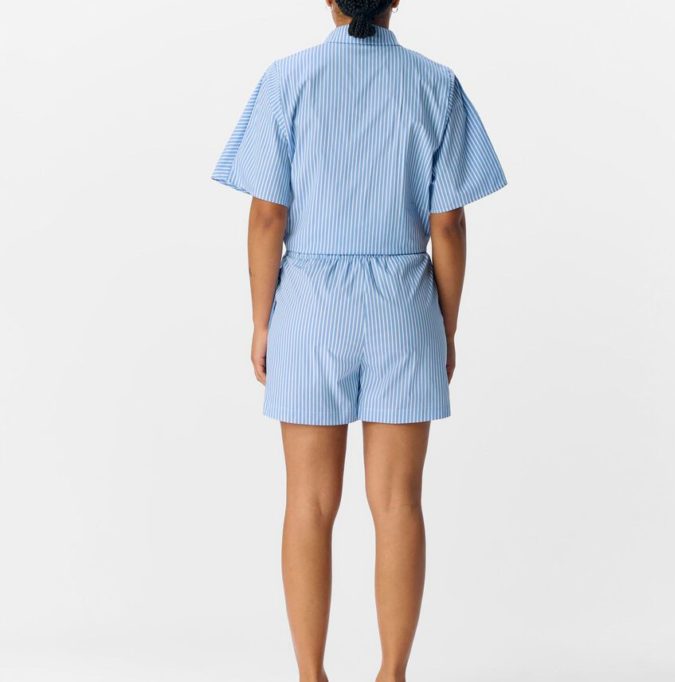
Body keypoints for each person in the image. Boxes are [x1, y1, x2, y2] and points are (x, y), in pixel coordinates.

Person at [211, 1, 507, 680]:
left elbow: (266, 215)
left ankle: (310, 676)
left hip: (309, 305)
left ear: (330, 0)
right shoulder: (435, 83)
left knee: (308, 503)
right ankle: (391, 674)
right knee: (398, 503)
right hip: (403, 304)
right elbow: (449, 224)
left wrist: (261, 320)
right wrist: (445, 324)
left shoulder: (288, 78)